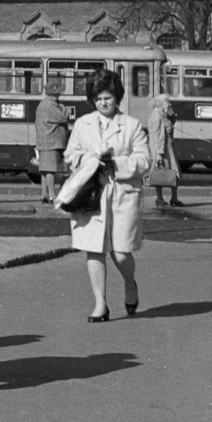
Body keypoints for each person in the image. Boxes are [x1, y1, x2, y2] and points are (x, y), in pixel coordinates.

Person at [64, 69, 150, 321]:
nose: (103, 103)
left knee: (121, 252)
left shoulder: (132, 125)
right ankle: (100, 304)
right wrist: (90, 159)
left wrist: (116, 163)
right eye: (98, 98)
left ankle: (129, 284)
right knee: (94, 249)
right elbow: (71, 155)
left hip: (123, 194)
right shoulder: (82, 124)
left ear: (117, 97)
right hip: (91, 194)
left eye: (108, 98)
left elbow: (145, 160)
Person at [147, 89, 185, 208]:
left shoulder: (163, 114)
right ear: (160, 103)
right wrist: (159, 153)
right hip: (162, 150)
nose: (170, 104)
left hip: (169, 149)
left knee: (174, 173)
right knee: (161, 174)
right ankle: (159, 199)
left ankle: (174, 198)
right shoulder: (156, 117)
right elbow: (157, 136)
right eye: (167, 102)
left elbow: (171, 123)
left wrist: (170, 113)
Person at [35, 85, 73, 204]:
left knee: (45, 171)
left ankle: (44, 195)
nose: (59, 96)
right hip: (52, 142)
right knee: (50, 170)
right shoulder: (51, 105)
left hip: (43, 141)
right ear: (54, 94)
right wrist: (63, 109)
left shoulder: (42, 104)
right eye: (57, 94)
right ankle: (52, 195)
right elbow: (63, 118)